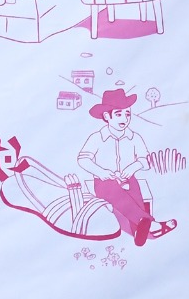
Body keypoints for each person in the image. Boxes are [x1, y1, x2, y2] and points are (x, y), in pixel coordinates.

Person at [74, 88, 176, 246]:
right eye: (118, 114)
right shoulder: (97, 137)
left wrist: (134, 166)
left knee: (135, 193)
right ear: (107, 116)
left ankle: (138, 232)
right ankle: (151, 224)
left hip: (128, 178)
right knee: (115, 193)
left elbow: (146, 160)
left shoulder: (134, 138)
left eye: (127, 114)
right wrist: (101, 172)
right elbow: (83, 159)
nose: (124, 118)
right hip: (105, 182)